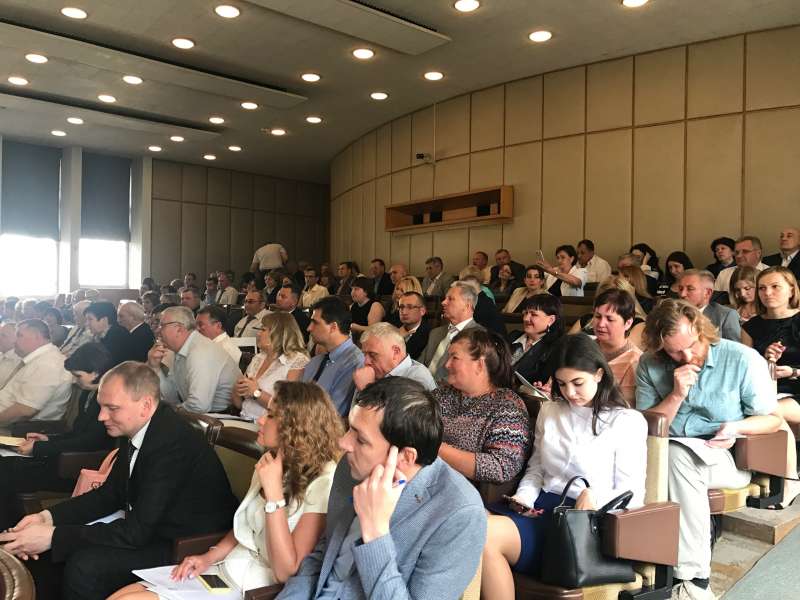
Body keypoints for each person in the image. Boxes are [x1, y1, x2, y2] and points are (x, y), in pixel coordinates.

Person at [0, 361, 239, 600]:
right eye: (101, 407)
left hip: (189, 542)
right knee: (52, 553)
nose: (102, 416)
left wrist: (53, 536)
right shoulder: (138, 426)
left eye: (112, 408)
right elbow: (110, 494)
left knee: (84, 565)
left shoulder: (172, 443)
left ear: (145, 405)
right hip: (154, 526)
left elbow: (136, 532)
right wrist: (47, 518)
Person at [110, 381, 343, 600]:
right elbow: (244, 527)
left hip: (254, 589)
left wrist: (274, 497)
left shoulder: (323, 482)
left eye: (271, 415)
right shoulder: (271, 461)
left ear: (296, 427)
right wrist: (207, 557)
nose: (261, 420)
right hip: (225, 569)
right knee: (121, 595)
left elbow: (286, 572)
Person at [275, 376, 487, 600]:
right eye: (350, 429)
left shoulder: (459, 514)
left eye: (361, 440)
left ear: (405, 457)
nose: (343, 443)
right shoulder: (351, 467)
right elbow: (323, 555)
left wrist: (376, 533)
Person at [481, 334, 647, 600]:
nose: (570, 392)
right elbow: (537, 468)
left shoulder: (626, 421)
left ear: (599, 374)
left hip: (583, 522)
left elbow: (633, 494)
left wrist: (595, 496)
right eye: (562, 383)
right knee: (467, 522)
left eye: (577, 383)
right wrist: (523, 497)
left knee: (484, 535)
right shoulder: (550, 411)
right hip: (540, 504)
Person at [636, 300, 782, 599]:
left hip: (726, 454)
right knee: (666, 459)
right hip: (663, 452)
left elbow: (772, 420)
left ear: (701, 329)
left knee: (675, 459)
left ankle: (694, 579)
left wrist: (736, 427)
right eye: (675, 352)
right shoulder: (650, 363)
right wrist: (676, 395)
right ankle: (643, 567)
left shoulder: (741, 358)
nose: (687, 357)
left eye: (692, 345)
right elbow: (646, 426)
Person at [0, 343, 115, 530]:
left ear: (95, 372)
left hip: (78, 465)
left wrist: (39, 448)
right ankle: (11, 527)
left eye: (79, 376)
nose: (76, 381)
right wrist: (48, 439)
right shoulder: (88, 394)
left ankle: (14, 529)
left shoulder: (107, 401)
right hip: (68, 456)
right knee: (5, 465)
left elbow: (89, 442)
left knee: (9, 475)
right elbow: (77, 434)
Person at [433, 328, 531, 484]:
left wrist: (434, 448)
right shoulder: (443, 394)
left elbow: (501, 468)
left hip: (462, 490)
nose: (447, 364)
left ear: (479, 364)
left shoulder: (507, 406)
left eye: (454, 358)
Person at [147, 306, 239, 413]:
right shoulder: (182, 350)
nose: (158, 330)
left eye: (162, 325)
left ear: (178, 329)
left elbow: (199, 406)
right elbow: (173, 397)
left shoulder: (200, 350)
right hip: (203, 415)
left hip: (221, 417)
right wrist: (155, 367)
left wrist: (171, 413)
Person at [741, 267, 800, 422]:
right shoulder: (750, 327)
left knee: (767, 411)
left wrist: (793, 372)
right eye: (762, 288)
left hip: (796, 390)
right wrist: (765, 360)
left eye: (775, 286)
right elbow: (746, 371)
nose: (767, 293)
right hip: (764, 392)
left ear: (791, 290)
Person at [233, 312, 310, 421]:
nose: (258, 334)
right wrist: (237, 390)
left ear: (278, 333)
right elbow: (241, 405)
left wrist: (256, 392)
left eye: (263, 330)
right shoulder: (258, 358)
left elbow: (287, 409)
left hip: (270, 426)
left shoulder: (297, 361)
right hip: (244, 420)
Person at [0, 319, 73, 426]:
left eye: (20, 335)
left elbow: (24, 411)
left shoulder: (48, 364)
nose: (15, 341)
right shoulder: (40, 359)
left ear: (37, 337)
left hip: (17, 429)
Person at [302, 297, 364, 415]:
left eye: (315, 322)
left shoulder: (354, 363)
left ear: (333, 327)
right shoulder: (316, 361)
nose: (309, 328)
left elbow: (332, 414)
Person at [588, 289, 643, 405]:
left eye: (610, 319)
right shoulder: (585, 347)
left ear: (628, 323)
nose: (601, 324)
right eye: (597, 316)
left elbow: (625, 407)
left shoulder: (635, 361)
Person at [421, 281, 484, 382]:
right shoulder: (435, 333)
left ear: (467, 305)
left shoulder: (479, 336)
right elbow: (420, 364)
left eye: (450, 299)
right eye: (445, 298)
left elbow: (468, 376)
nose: (443, 302)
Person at [352, 322, 435, 393]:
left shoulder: (418, 378)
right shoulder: (372, 373)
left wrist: (366, 389)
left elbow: (396, 408)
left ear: (396, 352)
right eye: (364, 354)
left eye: (372, 354)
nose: (366, 362)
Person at [569, 276, 648, 349]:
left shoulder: (639, 325)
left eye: (610, 319)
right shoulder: (587, 318)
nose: (601, 324)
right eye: (603, 300)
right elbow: (566, 345)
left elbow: (627, 353)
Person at [507, 294, 564, 388]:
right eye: (526, 313)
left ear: (551, 320)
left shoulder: (555, 348)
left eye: (533, 314)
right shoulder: (513, 337)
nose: (525, 318)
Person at [677, 269, 741, 341]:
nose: (682, 294)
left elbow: (734, 347)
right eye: (680, 289)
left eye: (690, 289)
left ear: (707, 293)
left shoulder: (725, 316)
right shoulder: (673, 313)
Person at [85, 301, 133, 366]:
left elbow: (102, 364)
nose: (86, 324)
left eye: (90, 319)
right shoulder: (100, 334)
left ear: (104, 320)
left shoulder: (118, 336)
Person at [397, 290, 431, 361]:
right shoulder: (393, 327)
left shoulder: (429, 335)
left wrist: (398, 339)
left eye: (410, 307)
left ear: (422, 311)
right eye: (401, 307)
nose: (404, 312)